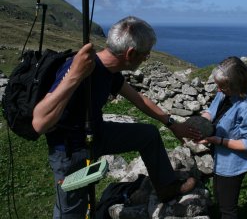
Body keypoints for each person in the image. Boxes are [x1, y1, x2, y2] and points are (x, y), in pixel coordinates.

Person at [32, 16, 200, 218]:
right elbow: (39, 122)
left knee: (149, 134)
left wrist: (171, 124)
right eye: (145, 55)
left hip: (96, 134)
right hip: (69, 151)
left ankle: (166, 188)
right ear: (130, 53)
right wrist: (75, 75)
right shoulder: (78, 67)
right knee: (71, 212)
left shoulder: (110, 71)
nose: (146, 59)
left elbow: (138, 99)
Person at [198, 56, 247, 219]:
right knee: (220, 196)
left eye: (222, 86)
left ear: (236, 84)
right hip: (220, 155)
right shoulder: (226, 92)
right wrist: (200, 124)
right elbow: (211, 111)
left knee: (228, 208)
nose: (219, 90)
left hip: (233, 162)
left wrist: (219, 140)